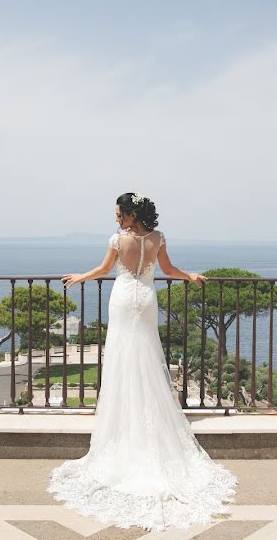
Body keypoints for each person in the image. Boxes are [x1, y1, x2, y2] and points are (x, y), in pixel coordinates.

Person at [46, 192, 238, 532]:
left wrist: (79, 277)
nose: (117, 219)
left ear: (132, 215)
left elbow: (105, 270)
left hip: (122, 300)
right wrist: (190, 276)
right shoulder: (158, 239)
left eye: (120, 214)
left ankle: (126, 424)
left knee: (122, 361)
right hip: (146, 301)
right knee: (148, 359)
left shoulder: (117, 240)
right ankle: (147, 422)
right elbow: (168, 270)